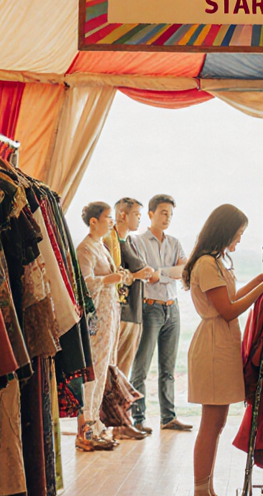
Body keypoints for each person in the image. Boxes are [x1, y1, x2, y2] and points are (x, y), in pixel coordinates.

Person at [183, 204, 263, 496]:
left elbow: (232, 297)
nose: (239, 240)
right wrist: (262, 288)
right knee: (210, 425)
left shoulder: (216, 262)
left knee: (217, 423)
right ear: (225, 231)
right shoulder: (206, 263)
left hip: (221, 344)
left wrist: (258, 282)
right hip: (213, 345)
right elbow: (227, 309)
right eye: (238, 234)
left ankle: (207, 492)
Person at [128, 194, 191, 432]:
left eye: (171, 214)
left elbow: (184, 270)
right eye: (164, 213)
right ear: (151, 214)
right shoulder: (137, 241)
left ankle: (168, 418)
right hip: (149, 307)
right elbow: (146, 273)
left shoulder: (174, 242)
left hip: (172, 308)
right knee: (141, 367)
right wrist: (168, 272)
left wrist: (162, 273)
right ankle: (138, 419)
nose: (168, 218)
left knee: (168, 369)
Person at [76, 201, 129, 452]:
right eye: (108, 218)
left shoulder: (102, 246)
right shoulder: (85, 249)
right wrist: (110, 278)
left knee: (101, 369)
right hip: (95, 318)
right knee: (92, 371)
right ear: (93, 221)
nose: (111, 222)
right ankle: (86, 428)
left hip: (108, 315)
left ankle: (95, 425)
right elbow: (83, 284)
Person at [111, 197, 153, 440]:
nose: (139, 218)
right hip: (124, 311)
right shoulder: (114, 241)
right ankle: (119, 422)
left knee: (123, 369)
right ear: (122, 215)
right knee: (119, 369)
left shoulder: (129, 242)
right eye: (136, 214)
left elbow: (143, 271)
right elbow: (123, 272)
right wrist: (137, 274)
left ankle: (122, 421)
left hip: (134, 311)